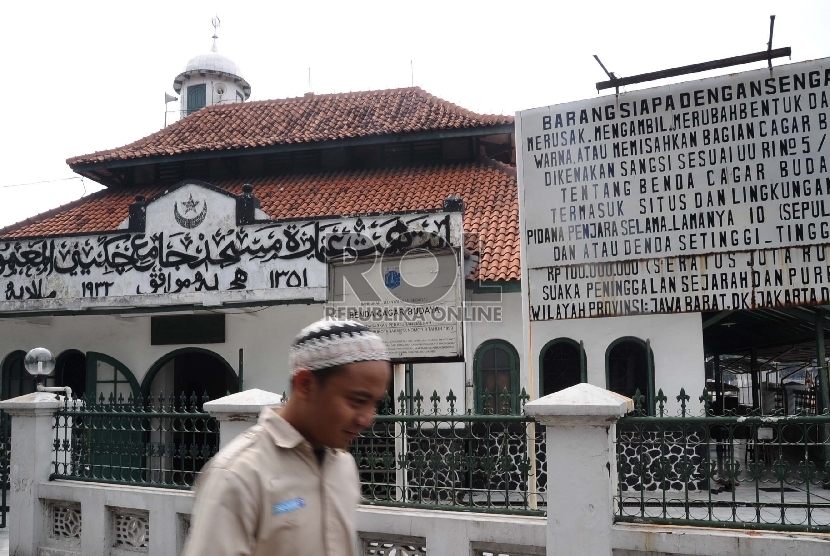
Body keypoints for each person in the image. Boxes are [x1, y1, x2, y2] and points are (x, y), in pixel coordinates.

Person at [183, 319, 391, 556]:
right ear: (306, 385)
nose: (367, 419)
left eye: (375, 403)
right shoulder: (238, 475)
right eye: (357, 401)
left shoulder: (342, 466)